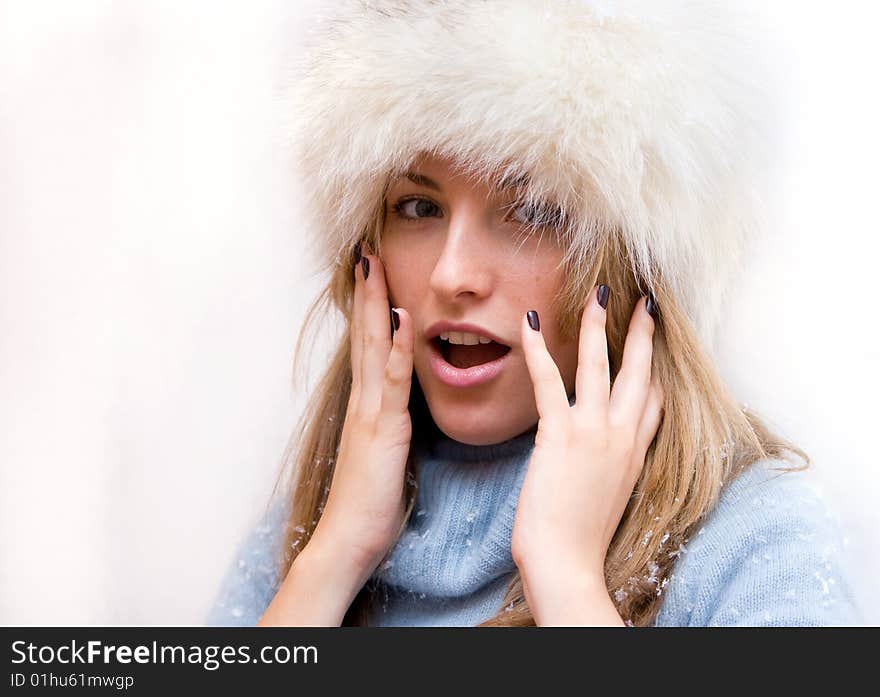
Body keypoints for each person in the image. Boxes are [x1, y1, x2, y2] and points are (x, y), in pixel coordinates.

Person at [206, 0, 859, 627]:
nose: (452, 273)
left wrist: (567, 582)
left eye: (535, 211)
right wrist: (334, 557)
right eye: (417, 207)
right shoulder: (308, 531)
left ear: (634, 266)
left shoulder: (753, 543)